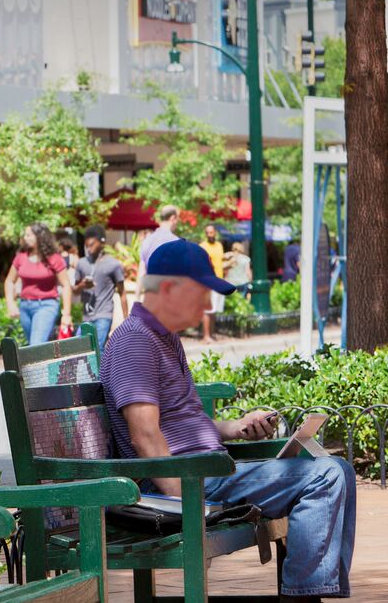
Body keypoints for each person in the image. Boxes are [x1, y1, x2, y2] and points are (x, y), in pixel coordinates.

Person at [102, 239, 356, 602]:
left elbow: (179, 420)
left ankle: (308, 592)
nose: (209, 306)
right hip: (185, 484)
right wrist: (190, 507)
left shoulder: (163, 338)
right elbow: (145, 436)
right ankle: (303, 596)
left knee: (339, 470)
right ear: (170, 288)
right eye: (203, 294)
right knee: (325, 475)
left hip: (205, 472)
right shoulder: (136, 342)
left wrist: (233, 427)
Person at [4, 223, 73, 345]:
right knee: (35, 346)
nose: (25, 238)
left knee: (36, 344)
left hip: (46, 305)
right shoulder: (21, 257)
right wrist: (10, 302)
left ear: (40, 237)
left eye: (29, 235)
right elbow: (9, 281)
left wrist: (66, 314)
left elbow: (66, 285)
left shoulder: (54, 258)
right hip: (25, 306)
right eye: (25, 235)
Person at [74, 225, 127, 353]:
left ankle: (101, 374)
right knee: (76, 349)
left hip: (104, 314)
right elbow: (75, 290)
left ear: (102, 242)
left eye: (92, 244)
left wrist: (127, 319)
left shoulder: (113, 264)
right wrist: (83, 285)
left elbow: (122, 293)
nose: (88, 248)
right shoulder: (81, 263)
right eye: (86, 245)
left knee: (98, 348)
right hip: (86, 317)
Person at [137, 205, 181, 280]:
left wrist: (137, 292)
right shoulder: (176, 241)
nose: (177, 222)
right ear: (173, 218)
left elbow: (142, 272)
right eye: (177, 219)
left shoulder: (148, 240)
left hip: (151, 289)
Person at [200, 225, 226, 342]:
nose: (210, 234)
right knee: (207, 309)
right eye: (208, 232)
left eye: (212, 232)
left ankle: (212, 334)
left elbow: (220, 262)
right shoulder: (203, 246)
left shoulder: (219, 245)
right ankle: (206, 336)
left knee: (214, 310)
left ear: (215, 232)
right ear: (206, 234)